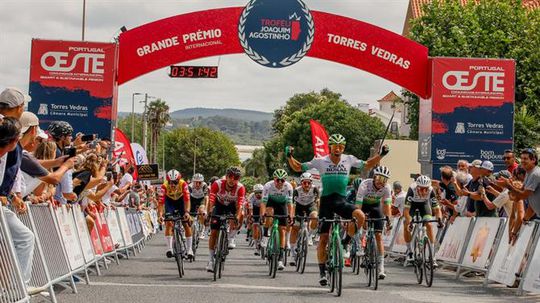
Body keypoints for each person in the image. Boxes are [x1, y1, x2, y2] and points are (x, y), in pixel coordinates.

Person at [286, 133, 390, 286]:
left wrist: (381, 155)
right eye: (335, 146)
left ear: (343, 148)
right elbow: (298, 167)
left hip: (341, 201)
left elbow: (367, 164)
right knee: (323, 239)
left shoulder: (349, 159)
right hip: (327, 202)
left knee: (360, 216)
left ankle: (345, 242)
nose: (338, 149)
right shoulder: (321, 161)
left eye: (341, 146)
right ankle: (322, 272)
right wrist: (289, 156)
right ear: (330, 147)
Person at [355, 166, 394, 279]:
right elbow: (358, 206)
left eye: (384, 180)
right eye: (379, 179)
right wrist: (359, 217)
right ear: (374, 177)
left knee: (378, 236)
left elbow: (387, 206)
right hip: (363, 205)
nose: (381, 182)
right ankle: (360, 246)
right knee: (360, 221)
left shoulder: (387, 188)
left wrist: (388, 220)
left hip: (376, 207)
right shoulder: (364, 185)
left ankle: (381, 267)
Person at [206, 167, 245, 272]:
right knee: (214, 232)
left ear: (238, 179)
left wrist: (236, 217)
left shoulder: (240, 187)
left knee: (242, 214)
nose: (232, 180)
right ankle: (210, 260)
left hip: (232, 206)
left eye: (236, 178)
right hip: (219, 205)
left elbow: (240, 205)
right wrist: (210, 212)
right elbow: (212, 200)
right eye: (230, 177)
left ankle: (231, 236)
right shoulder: (217, 184)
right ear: (226, 177)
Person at [403, 175, 443, 266]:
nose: (424, 191)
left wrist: (439, 219)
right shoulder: (411, 190)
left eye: (426, 189)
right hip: (412, 205)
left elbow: (437, 209)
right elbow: (406, 211)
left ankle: (432, 256)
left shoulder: (431, 190)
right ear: (417, 187)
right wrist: (409, 222)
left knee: (428, 224)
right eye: (421, 189)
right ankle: (410, 252)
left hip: (424, 205)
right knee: (406, 224)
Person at [259, 169, 294, 270]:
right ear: (274, 179)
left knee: (282, 230)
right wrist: (262, 215)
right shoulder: (268, 185)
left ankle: (280, 259)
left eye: (282, 180)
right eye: (277, 180)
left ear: (285, 180)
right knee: (269, 213)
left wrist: (290, 216)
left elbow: (290, 204)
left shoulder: (289, 187)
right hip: (271, 202)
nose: (279, 182)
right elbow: (263, 202)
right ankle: (265, 235)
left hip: (282, 204)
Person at [160, 169, 193, 259]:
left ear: (178, 180)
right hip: (170, 202)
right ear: (168, 181)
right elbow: (161, 202)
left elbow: (187, 199)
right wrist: (160, 215)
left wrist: (187, 212)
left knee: (186, 223)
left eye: (175, 182)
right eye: (171, 182)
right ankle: (169, 248)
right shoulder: (164, 186)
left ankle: (190, 249)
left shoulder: (183, 184)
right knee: (169, 223)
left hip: (181, 201)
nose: (173, 184)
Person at [503, 149, 540, 221]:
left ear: (533, 160)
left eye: (525, 158)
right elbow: (518, 198)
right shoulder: (529, 174)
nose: (522, 161)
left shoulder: (535, 174)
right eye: (522, 158)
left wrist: (508, 186)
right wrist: (525, 219)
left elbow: (523, 195)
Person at [290, 172, 319, 263]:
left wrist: (320, 213)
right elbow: (293, 205)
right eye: (304, 183)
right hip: (299, 207)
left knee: (315, 216)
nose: (306, 185)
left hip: (310, 205)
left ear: (311, 183)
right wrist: (292, 216)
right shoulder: (297, 190)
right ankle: (292, 250)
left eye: (308, 183)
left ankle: (310, 236)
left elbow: (318, 202)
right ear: (301, 183)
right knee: (295, 228)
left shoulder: (315, 189)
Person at [189, 173, 209, 239]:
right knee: (190, 217)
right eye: (196, 182)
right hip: (192, 199)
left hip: (201, 199)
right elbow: (187, 199)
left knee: (201, 211)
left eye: (199, 183)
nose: (197, 184)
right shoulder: (190, 186)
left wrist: (205, 210)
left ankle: (202, 231)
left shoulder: (204, 185)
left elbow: (206, 198)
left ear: (202, 182)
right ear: (193, 182)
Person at [247, 183, 264, 255]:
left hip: (263, 208)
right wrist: (250, 216)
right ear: (254, 192)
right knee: (255, 225)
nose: (258, 194)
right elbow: (250, 208)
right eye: (256, 192)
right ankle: (256, 245)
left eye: (260, 192)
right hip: (254, 209)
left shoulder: (265, 196)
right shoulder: (251, 197)